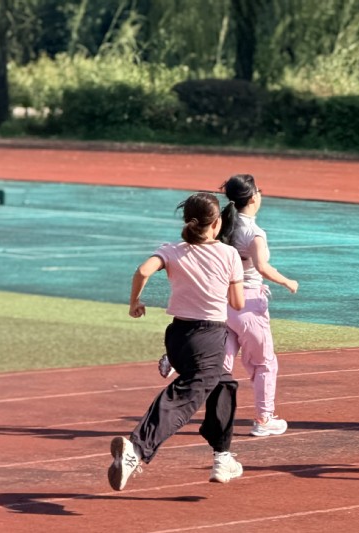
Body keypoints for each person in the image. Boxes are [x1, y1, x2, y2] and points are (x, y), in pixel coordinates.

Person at [108, 192, 245, 491]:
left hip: (178, 338)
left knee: (223, 385)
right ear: (217, 223)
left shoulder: (171, 250)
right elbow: (237, 303)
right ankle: (136, 449)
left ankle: (222, 456)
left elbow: (142, 271)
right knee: (182, 398)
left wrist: (134, 302)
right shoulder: (228, 254)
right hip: (209, 337)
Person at [217, 174, 298, 437]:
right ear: (253, 197)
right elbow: (262, 267)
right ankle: (264, 419)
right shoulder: (253, 233)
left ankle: (213, 416)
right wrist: (287, 281)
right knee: (264, 364)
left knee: (222, 365)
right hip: (248, 303)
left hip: (223, 302)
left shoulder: (222, 225)